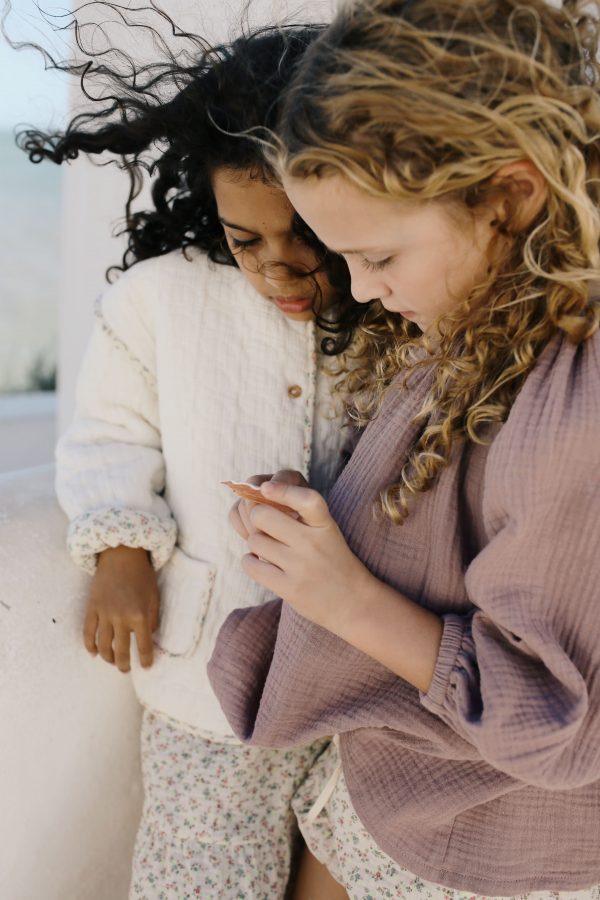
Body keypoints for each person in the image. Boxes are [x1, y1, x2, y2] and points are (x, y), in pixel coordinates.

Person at [208, 1, 600, 897]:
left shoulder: (576, 404)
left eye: (379, 257)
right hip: (403, 785)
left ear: (511, 193)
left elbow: (563, 722)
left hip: (489, 837)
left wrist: (339, 594)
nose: (362, 290)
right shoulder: (490, 308)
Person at [23, 13, 358, 898]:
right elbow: (108, 432)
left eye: (307, 239)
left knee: (352, 869)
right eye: (246, 240)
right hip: (207, 681)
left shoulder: (394, 299)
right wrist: (123, 549)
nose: (278, 268)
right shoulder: (159, 299)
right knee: (202, 867)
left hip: (359, 681)